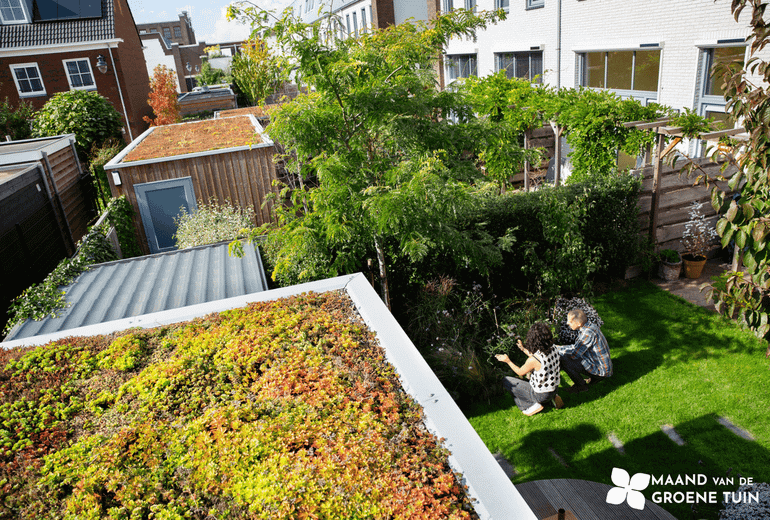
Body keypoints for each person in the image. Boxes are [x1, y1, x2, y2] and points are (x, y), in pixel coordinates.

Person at [495, 322, 563, 416]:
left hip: (541, 395)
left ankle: (531, 406)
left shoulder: (533, 360)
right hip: (554, 389)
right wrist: (523, 349)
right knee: (526, 380)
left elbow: (520, 372)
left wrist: (507, 361)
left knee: (507, 381)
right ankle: (552, 399)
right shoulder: (554, 348)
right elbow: (536, 357)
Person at [557, 308, 612, 394]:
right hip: (603, 368)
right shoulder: (590, 327)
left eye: (570, 321)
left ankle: (581, 386)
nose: (567, 323)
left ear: (579, 323)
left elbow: (574, 354)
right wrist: (559, 348)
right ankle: (594, 378)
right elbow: (577, 347)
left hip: (601, 371)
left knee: (564, 359)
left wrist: (557, 350)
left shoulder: (587, 333)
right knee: (566, 355)